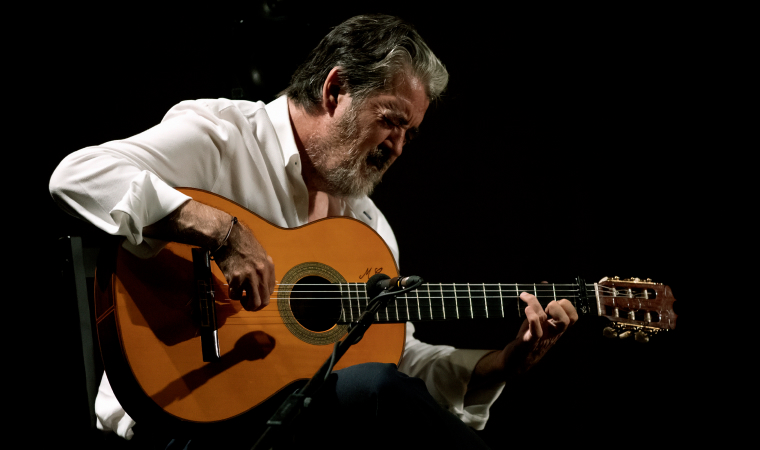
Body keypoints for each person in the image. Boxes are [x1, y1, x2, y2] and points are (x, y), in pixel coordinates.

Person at [50, 14, 577, 449]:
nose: (397, 146)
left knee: (380, 392)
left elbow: (399, 360)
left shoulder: (368, 227)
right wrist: (221, 230)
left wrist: (501, 365)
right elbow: (76, 175)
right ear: (335, 89)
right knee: (374, 394)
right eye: (391, 120)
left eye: (409, 134)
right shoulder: (223, 136)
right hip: (178, 421)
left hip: (301, 446)